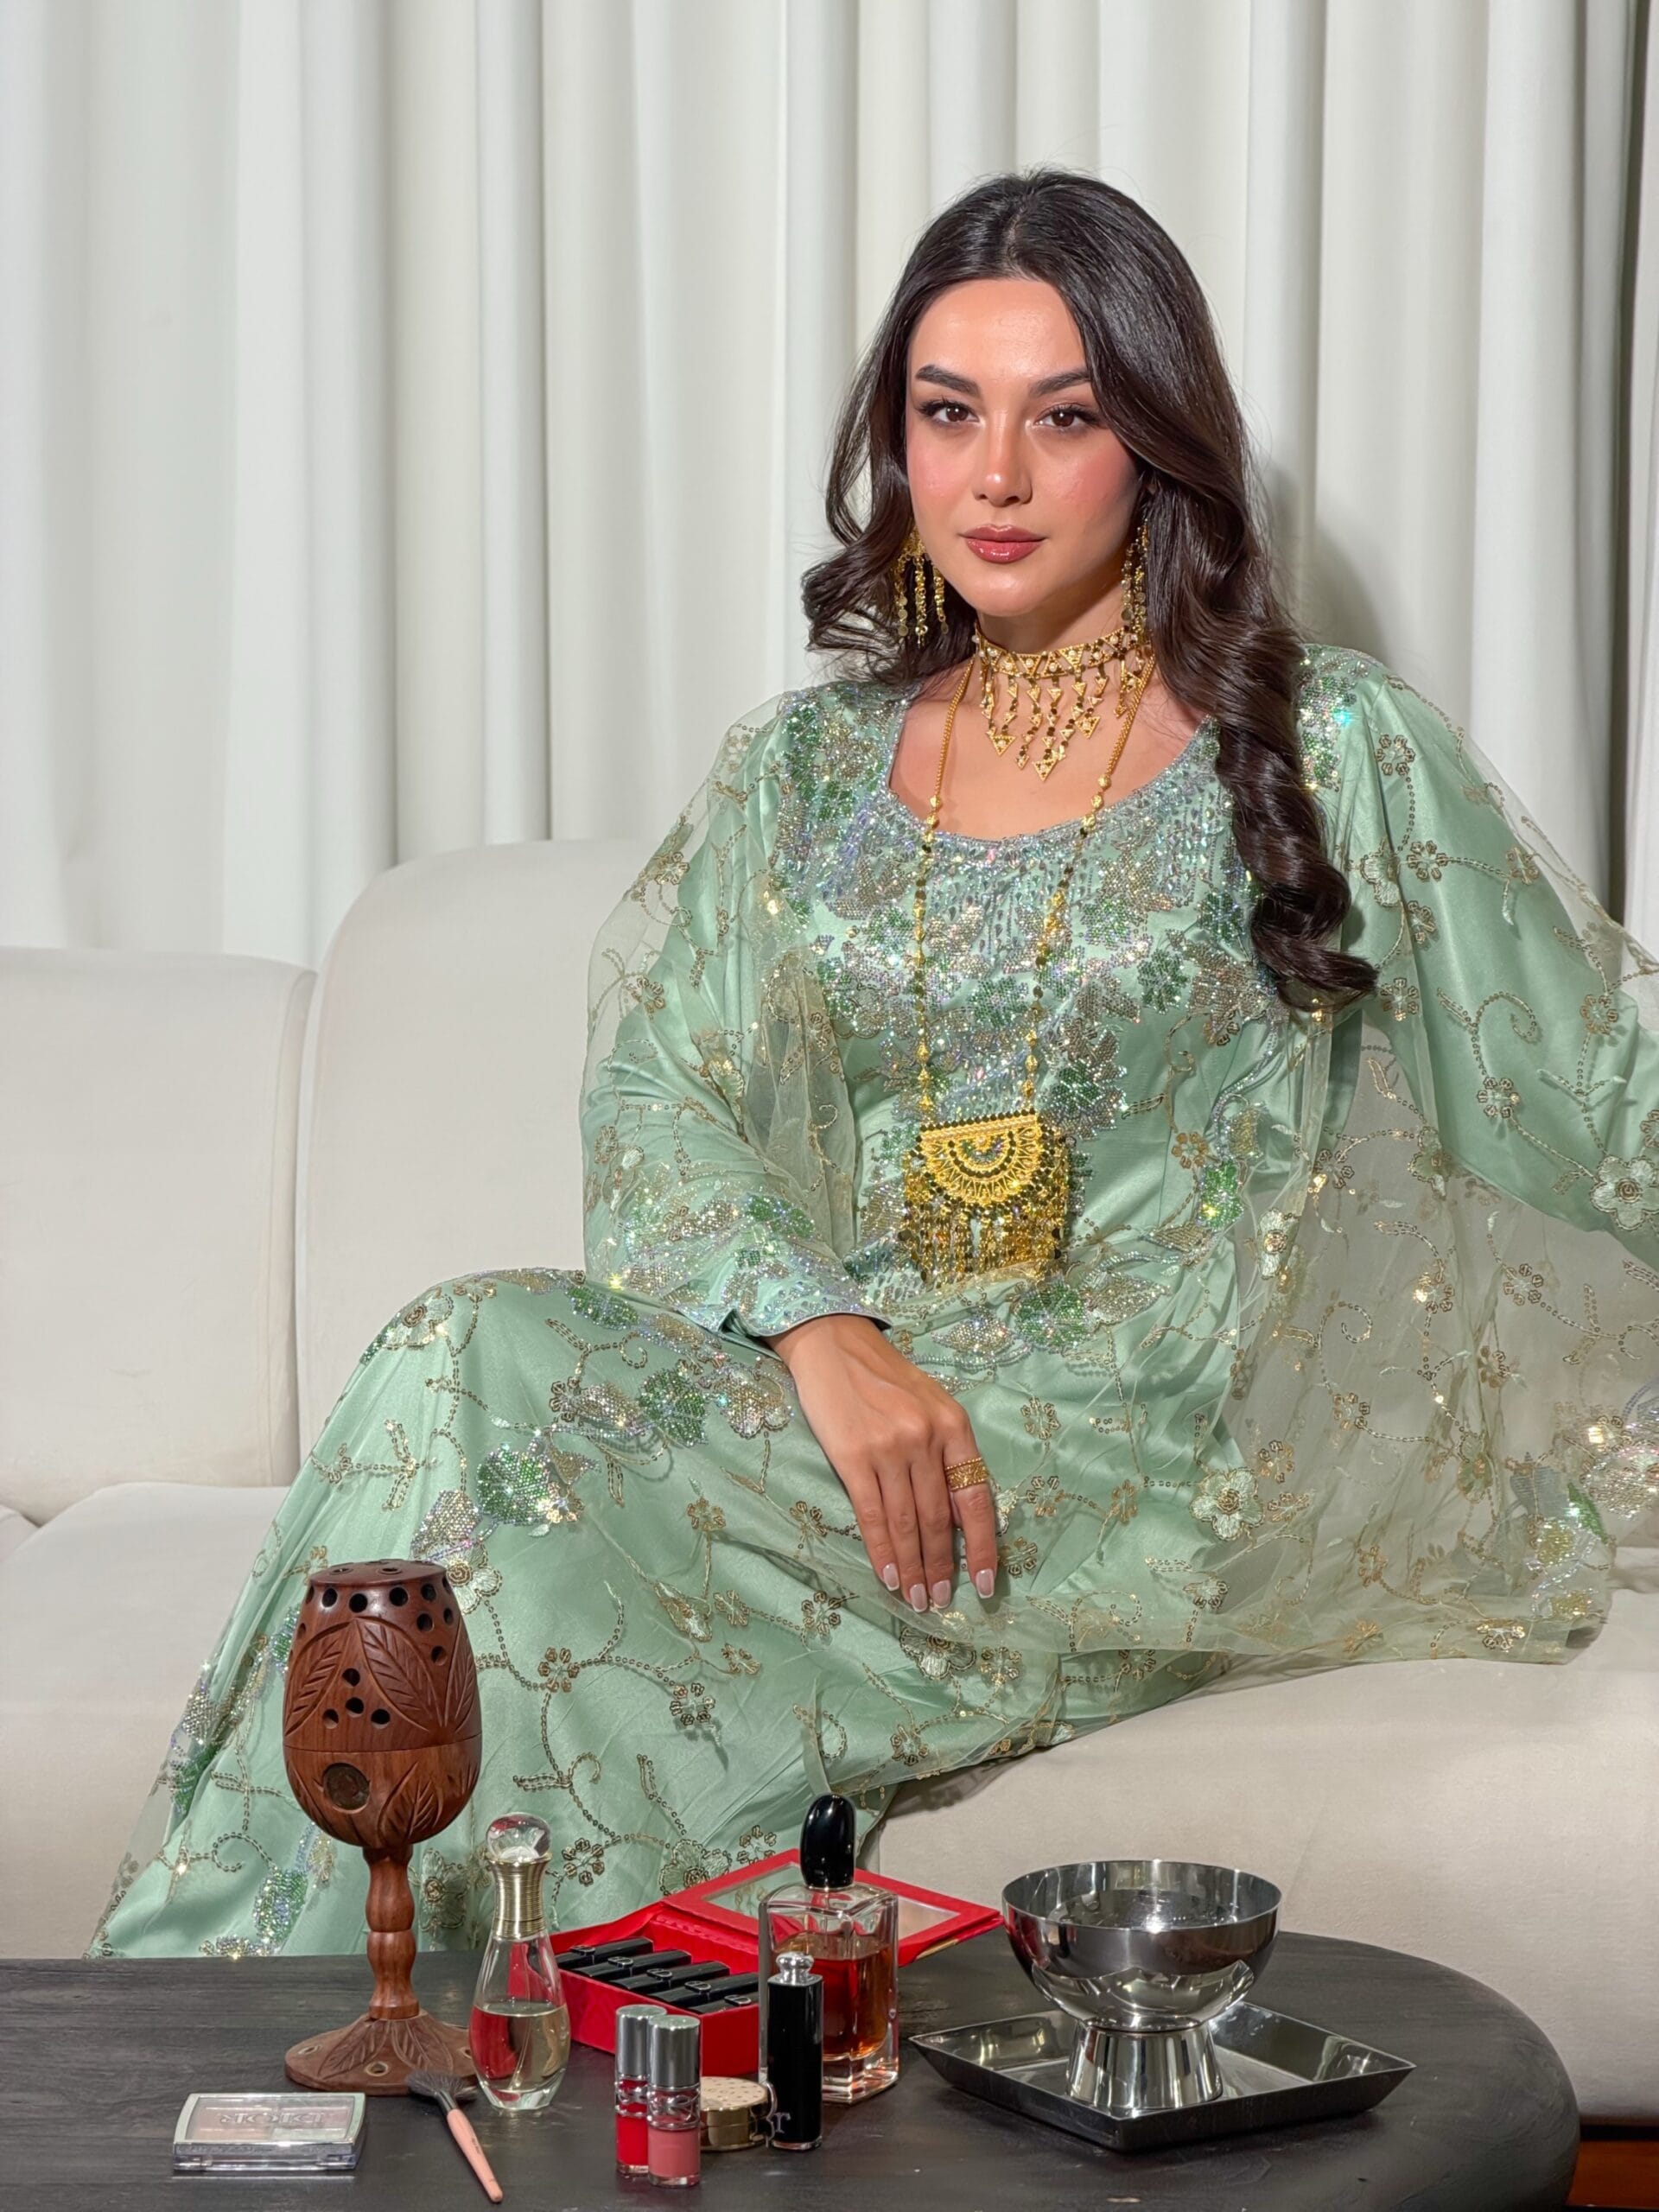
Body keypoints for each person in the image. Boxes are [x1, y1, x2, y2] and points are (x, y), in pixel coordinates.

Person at [95, 166, 1659, 1961]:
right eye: (947, 412)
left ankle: (230, 2018)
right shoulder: (800, 776)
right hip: (854, 1437)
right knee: (460, 1353)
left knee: (474, 1411)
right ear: (895, 444)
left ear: (1156, 448)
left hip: (1151, 1472)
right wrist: (814, 1328)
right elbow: (659, 1093)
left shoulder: (1325, 745)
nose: (995, 476)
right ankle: (306, 2026)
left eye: (1064, 417)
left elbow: (1599, 1093)